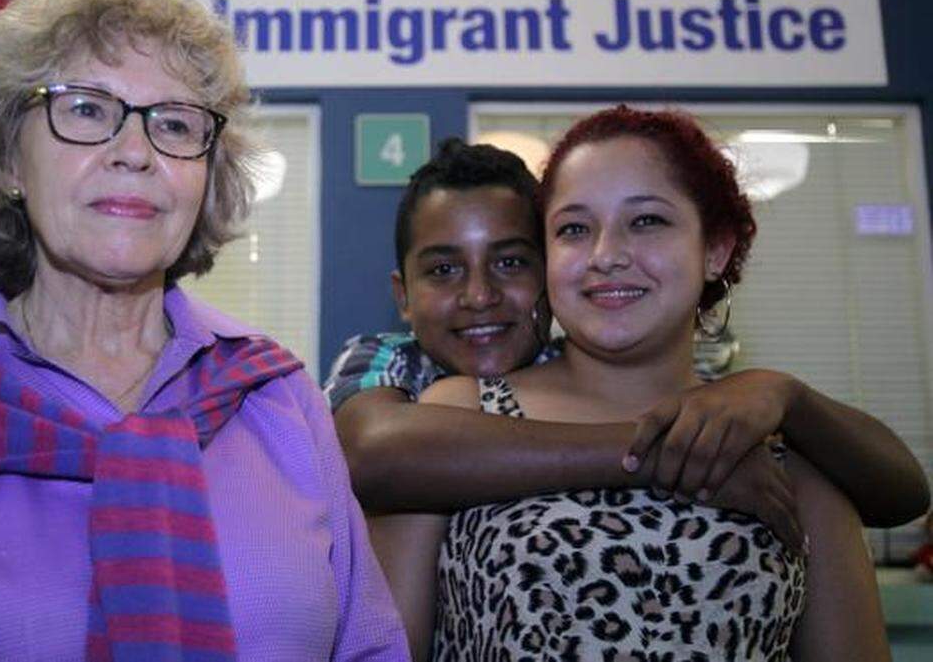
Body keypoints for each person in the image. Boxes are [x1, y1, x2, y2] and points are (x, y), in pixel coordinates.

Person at [0, 0, 408, 661]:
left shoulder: (279, 397)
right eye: (85, 108)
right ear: (7, 161)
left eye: (175, 122)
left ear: (206, 177)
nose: (135, 152)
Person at [324, 137, 926, 660]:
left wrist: (783, 394)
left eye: (647, 221)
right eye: (575, 229)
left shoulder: (769, 433)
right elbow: (373, 456)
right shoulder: (438, 406)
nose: (607, 255)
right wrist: (666, 453)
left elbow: (902, 492)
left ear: (714, 248)